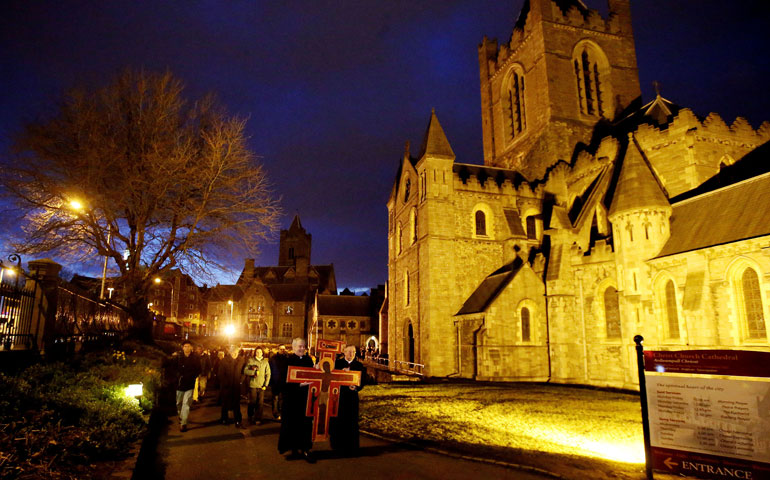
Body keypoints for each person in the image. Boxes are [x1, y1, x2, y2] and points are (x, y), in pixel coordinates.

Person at [277, 337, 314, 462]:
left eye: (303, 346)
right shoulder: (288, 361)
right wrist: (298, 385)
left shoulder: (309, 360)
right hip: (292, 399)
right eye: (299, 346)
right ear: (293, 347)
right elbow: (283, 380)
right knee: (292, 424)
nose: (302, 348)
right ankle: (292, 449)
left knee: (305, 424)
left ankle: (305, 448)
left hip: (305, 399)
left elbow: (314, 377)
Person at [329, 345, 366, 453]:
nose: (351, 354)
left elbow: (362, 380)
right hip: (339, 397)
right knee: (338, 421)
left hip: (352, 397)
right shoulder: (337, 364)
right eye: (349, 352)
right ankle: (337, 445)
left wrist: (356, 387)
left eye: (353, 352)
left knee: (352, 421)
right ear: (344, 352)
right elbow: (331, 377)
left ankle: (352, 446)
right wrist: (341, 373)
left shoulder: (359, 365)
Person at [173, 340, 201, 432]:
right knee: (178, 403)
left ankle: (183, 423)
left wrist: (193, 376)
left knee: (186, 404)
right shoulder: (178, 357)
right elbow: (173, 367)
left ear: (191, 347)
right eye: (185, 346)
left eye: (188, 346)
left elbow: (198, 369)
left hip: (190, 384)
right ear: (182, 347)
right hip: (180, 384)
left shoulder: (195, 358)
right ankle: (181, 416)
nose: (187, 348)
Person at [219, 345, 245, 427]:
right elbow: (221, 374)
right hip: (226, 386)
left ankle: (238, 420)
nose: (235, 354)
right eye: (233, 352)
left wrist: (241, 380)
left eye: (236, 353)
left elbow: (243, 372)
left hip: (236, 385)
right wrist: (225, 383)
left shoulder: (241, 360)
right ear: (230, 352)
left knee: (236, 404)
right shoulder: (224, 361)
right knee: (225, 403)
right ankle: (224, 418)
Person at [244, 347, 271, 425]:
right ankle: (250, 415)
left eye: (260, 352)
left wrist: (266, 384)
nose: (258, 353)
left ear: (262, 353)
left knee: (260, 403)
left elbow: (268, 374)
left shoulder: (265, 362)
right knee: (252, 402)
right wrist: (253, 372)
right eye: (257, 352)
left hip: (262, 386)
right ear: (255, 353)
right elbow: (245, 371)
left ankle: (258, 418)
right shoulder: (251, 361)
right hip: (253, 385)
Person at [269, 346, 288, 420]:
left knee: (283, 399)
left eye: (283, 349)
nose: (282, 350)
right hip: (275, 381)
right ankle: (275, 413)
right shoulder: (273, 358)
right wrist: (270, 381)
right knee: (275, 398)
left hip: (284, 382)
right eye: (281, 349)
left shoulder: (287, 358)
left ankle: (282, 412)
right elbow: (270, 370)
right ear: (278, 349)